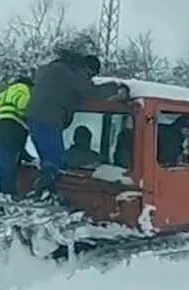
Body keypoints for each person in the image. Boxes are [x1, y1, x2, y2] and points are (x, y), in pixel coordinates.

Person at [25, 51, 125, 198]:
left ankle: (49, 192)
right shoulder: (74, 73)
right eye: (90, 75)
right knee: (55, 160)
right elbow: (90, 91)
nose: (89, 78)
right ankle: (43, 192)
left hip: (33, 117)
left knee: (49, 159)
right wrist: (116, 87)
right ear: (87, 68)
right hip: (48, 118)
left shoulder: (54, 68)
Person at [0, 76, 35, 196]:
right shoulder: (23, 89)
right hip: (11, 128)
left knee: (4, 165)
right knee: (9, 166)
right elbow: (22, 104)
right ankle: (8, 194)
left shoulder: (7, 93)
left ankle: (5, 193)